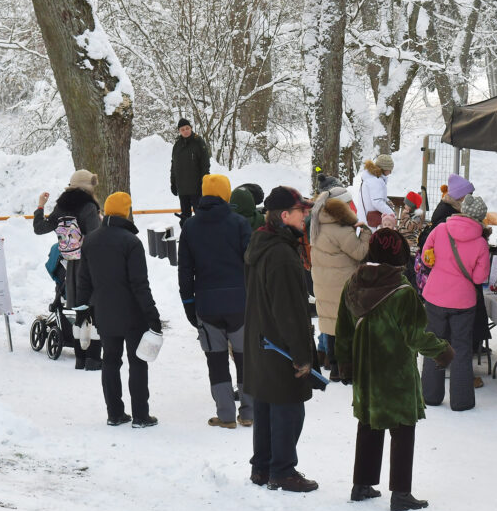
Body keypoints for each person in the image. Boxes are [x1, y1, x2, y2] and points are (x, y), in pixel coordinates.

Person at [335, 229, 455, 511]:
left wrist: (346, 365)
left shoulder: (352, 284)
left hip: (366, 373)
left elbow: (342, 331)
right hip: (396, 373)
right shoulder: (403, 292)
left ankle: (361, 484)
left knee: (368, 422)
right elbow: (415, 337)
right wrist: (442, 351)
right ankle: (401, 494)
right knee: (402, 429)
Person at [243, 186, 320, 492]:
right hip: (279, 345)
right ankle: (283, 470)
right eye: (302, 211)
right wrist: (302, 355)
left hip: (261, 339)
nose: (306, 216)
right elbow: (290, 311)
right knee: (288, 406)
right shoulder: (282, 255)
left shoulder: (261, 244)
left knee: (265, 404)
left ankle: (262, 468)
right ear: (285, 215)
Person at [77, 192, 161, 428]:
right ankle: (141, 416)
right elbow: (139, 284)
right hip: (133, 314)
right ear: (126, 212)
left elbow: (84, 281)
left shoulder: (91, 241)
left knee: (111, 362)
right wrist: (152, 315)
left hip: (103, 312)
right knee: (138, 363)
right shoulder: (131, 242)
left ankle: (115, 414)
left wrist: (83, 309)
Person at [178, 174, 254, 429]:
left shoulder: (190, 226)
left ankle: (226, 415)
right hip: (240, 303)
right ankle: (249, 412)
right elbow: (251, 263)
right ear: (226, 194)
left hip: (207, 304)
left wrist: (188, 303)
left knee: (216, 359)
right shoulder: (240, 223)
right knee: (245, 358)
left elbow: (185, 270)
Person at [419, 194, 490, 411]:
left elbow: (425, 258)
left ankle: (430, 395)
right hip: (463, 302)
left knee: (434, 345)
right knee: (461, 348)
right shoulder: (481, 243)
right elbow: (479, 279)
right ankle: (461, 401)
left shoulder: (440, 230)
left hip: (435, 296)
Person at [33, 169, 103, 370]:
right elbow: (95, 238)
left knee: (79, 311)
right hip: (90, 266)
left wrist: (40, 206)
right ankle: (93, 359)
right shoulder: (89, 207)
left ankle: (80, 360)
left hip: (71, 266)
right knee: (94, 313)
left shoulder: (61, 207)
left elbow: (40, 228)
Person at [309, 189, 371, 382]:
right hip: (341, 284)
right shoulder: (341, 230)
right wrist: (366, 232)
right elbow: (360, 252)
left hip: (323, 283)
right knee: (345, 328)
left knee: (330, 325)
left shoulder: (317, 225)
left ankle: (334, 367)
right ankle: (347, 371)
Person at [170, 118, 211, 226]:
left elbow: (205, 164)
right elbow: (173, 166)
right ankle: (187, 238)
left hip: (196, 188)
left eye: (187, 128)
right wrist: (173, 183)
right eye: (182, 129)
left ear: (191, 128)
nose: (185, 131)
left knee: (201, 216)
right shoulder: (177, 146)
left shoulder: (198, 142)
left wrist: (204, 181)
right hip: (182, 189)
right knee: (185, 218)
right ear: (179, 131)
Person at [355, 154, 395, 230]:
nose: (390, 172)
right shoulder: (375, 181)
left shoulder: (371, 178)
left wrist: (386, 200)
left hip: (366, 220)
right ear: (384, 169)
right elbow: (377, 202)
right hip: (371, 224)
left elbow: (374, 197)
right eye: (390, 169)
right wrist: (391, 214)